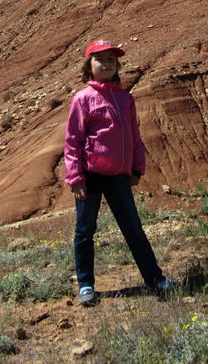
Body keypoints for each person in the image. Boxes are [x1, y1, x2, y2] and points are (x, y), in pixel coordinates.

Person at [64, 39, 174, 306]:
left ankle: (155, 279)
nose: (106, 63)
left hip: (119, 177)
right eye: (100, 59)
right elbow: (72, 141)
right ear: (88, 66)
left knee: (134, 229)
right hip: (90, 177)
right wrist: (76, 177)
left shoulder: (126, 99)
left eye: (111, 59)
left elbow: (135, 136)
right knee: (84, 231)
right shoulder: (82, 99)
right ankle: (86, 285)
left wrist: (137, 166)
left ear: (117, 65)